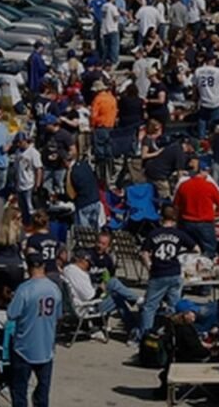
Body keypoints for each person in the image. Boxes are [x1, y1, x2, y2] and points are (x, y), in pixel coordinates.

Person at [8, 251, 62, 407]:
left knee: (19, 391)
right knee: (43, 393)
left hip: (24, 348)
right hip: (46, 348)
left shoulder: (24, 289)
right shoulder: (54, 289)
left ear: (28, 267)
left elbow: (12, 314)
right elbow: (58, 316)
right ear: (44, 266)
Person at [139, 207, 198, 334]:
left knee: (150, 307)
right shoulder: (179, 234)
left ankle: (145, 335)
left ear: (161, 219)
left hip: (158, 272)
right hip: (174, 272)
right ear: (175, 220)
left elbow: (144, 253)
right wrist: (181, 252)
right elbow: (196, 249)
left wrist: (149, 267)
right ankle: (173, 332)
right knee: (174, 306)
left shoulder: (153, 234)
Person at [63, 249, 138, 338]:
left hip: (77, 305)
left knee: (113, 285)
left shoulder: (68, 269)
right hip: (85, 308)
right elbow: (90, 296)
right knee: (117, 296)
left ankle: (134, 301)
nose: (89, 266)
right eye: (88, 263)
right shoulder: (77, 273)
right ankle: (133, 325)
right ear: (81, 260)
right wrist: (101, 288)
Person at [173, 159, 219, 259]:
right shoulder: (209, 186)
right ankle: (206, 269)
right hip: (205, 223)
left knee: (188, 250)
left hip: (186, 223)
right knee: (209, 251)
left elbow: (176, 206)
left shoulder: (183, 185)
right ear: (203, 172)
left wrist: (177, 221)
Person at [193, 52, 219, 138]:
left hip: (204, 100)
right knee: (215, 123)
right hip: (216, 100)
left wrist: (194, 98)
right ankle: (215, 139)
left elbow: (194, 86)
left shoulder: (198, 71)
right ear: (213, 60)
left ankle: (201, 139)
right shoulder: (218, 71)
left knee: (202, 120)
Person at [15, 133, 44, 225]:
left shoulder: (33, 152)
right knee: (22, 209)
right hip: (20, 185)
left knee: (31, 209)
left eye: (20, 142)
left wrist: (37, 185)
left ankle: (33, 225)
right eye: (17, 142)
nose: (18, 144)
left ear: (25, 141)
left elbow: (38, 169)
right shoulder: (18, 152)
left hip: (29, 185)